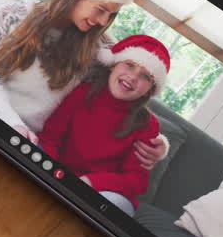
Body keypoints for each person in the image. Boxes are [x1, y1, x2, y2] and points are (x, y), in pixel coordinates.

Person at [0, 0, 165, 167]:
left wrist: (156, 142)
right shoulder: (15, 14)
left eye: (111, 15)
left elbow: (129, 91)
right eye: (101, 9)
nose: (103, 21)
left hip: (29, 136)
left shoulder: (98, 50)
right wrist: (12, 123)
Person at [37, 34, 171, 215]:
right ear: (113, 65)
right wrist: (54, 174)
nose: (132, 77)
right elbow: (50, 138)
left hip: (104, 190)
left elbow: (136, 180)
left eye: (145, 76)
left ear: (150, 89)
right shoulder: (82, 92)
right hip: (61, 173)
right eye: (129, 65)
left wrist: (91, 182)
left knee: (111, 204)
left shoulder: (147, 125)